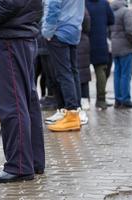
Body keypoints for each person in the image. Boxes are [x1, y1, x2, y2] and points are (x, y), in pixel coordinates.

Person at [0, 0, 45, 183]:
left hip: (10, 36)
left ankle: (20, 165)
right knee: (25, 100)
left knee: (13, 102)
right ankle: (32, 161)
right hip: (19, 34)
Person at [42, 0, 85, 131]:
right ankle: (75, 111)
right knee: (72, 72)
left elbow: (53, 6)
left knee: (63, 74)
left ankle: (71, 113)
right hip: (73, 31)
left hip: (59, 32)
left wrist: (47, 31)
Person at [110, 0, 132, 108]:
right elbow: (130, 31)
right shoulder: (125, 11)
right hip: (126, 47)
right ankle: (125, 100)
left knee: (117, 74)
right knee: (126, 75)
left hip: (115, 47)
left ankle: (118, 100)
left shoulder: (112, 11)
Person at [86, 0, 115, 109]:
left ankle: (85, 99)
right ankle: (101, 100)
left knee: (83, 72)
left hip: (85, 42)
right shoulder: (104, 3)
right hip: (101, 42)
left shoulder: (83, 3)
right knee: (101, 71)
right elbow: (112, 20)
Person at [77, 9, 92, 111]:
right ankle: (85, 99)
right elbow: (87, 26)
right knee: (84, 72)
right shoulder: (83, 9)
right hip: (83, 40)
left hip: (73, 40)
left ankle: (79, 99)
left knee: (75, 72)